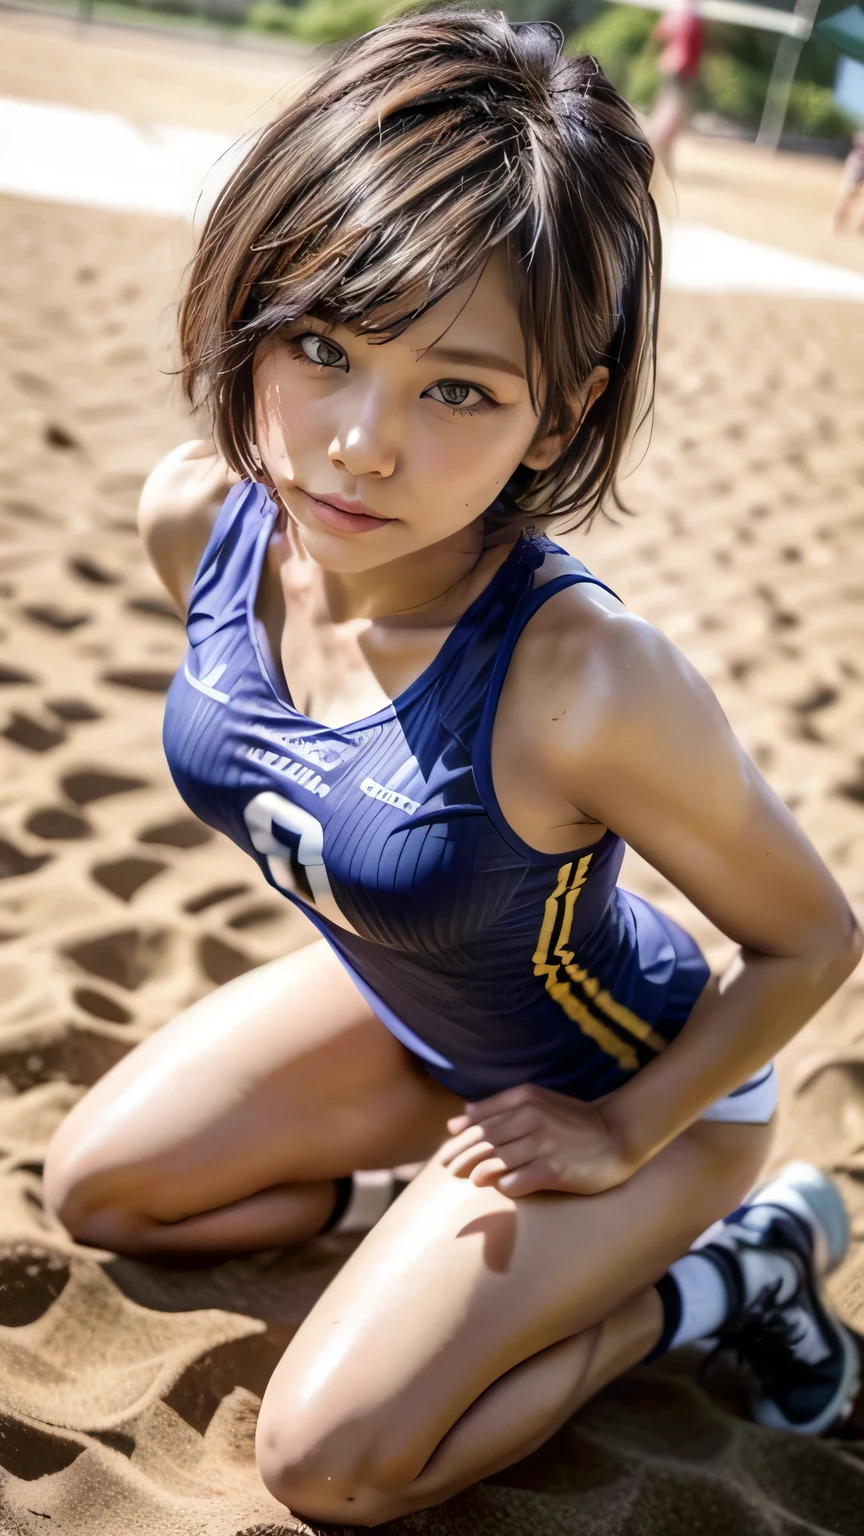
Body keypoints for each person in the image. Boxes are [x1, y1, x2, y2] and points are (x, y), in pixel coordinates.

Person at [43, 12, 862, 1526]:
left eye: (458, 392)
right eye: (322, 346)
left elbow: (816, 937)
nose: (358, 445)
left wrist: (625, 1133)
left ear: (563, 413)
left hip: (620, 1077)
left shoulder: (585, 680)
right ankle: (428, 1239)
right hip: (412, 1007)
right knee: (103, 1193)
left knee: (337, 1464)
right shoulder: (198, 520)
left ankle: (719, 1277)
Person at [647, 0, 704, 175]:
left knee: (670, 116)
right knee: (670, 117)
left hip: (675, 68)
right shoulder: (688, 16)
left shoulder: (682, 15)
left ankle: (662, 165)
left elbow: (660, 32)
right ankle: (657, 160)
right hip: (679, 69)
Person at [832, 130, 864, 234]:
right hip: (856, 168)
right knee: (845, 197)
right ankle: (836, 222)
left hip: (859, 169)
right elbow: (857, 138)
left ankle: (859, 228)